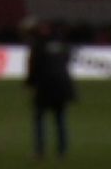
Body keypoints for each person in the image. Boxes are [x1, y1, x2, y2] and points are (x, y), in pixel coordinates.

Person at [23, 17, 76, 160]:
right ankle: (62, 152)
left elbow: (34, 66)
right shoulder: (62, 43)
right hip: (62, 85)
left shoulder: (38, 45)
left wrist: (29, 84)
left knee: (39, 118)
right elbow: (66, 60)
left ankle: (40, 152)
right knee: (60, 119)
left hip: (45, 86)